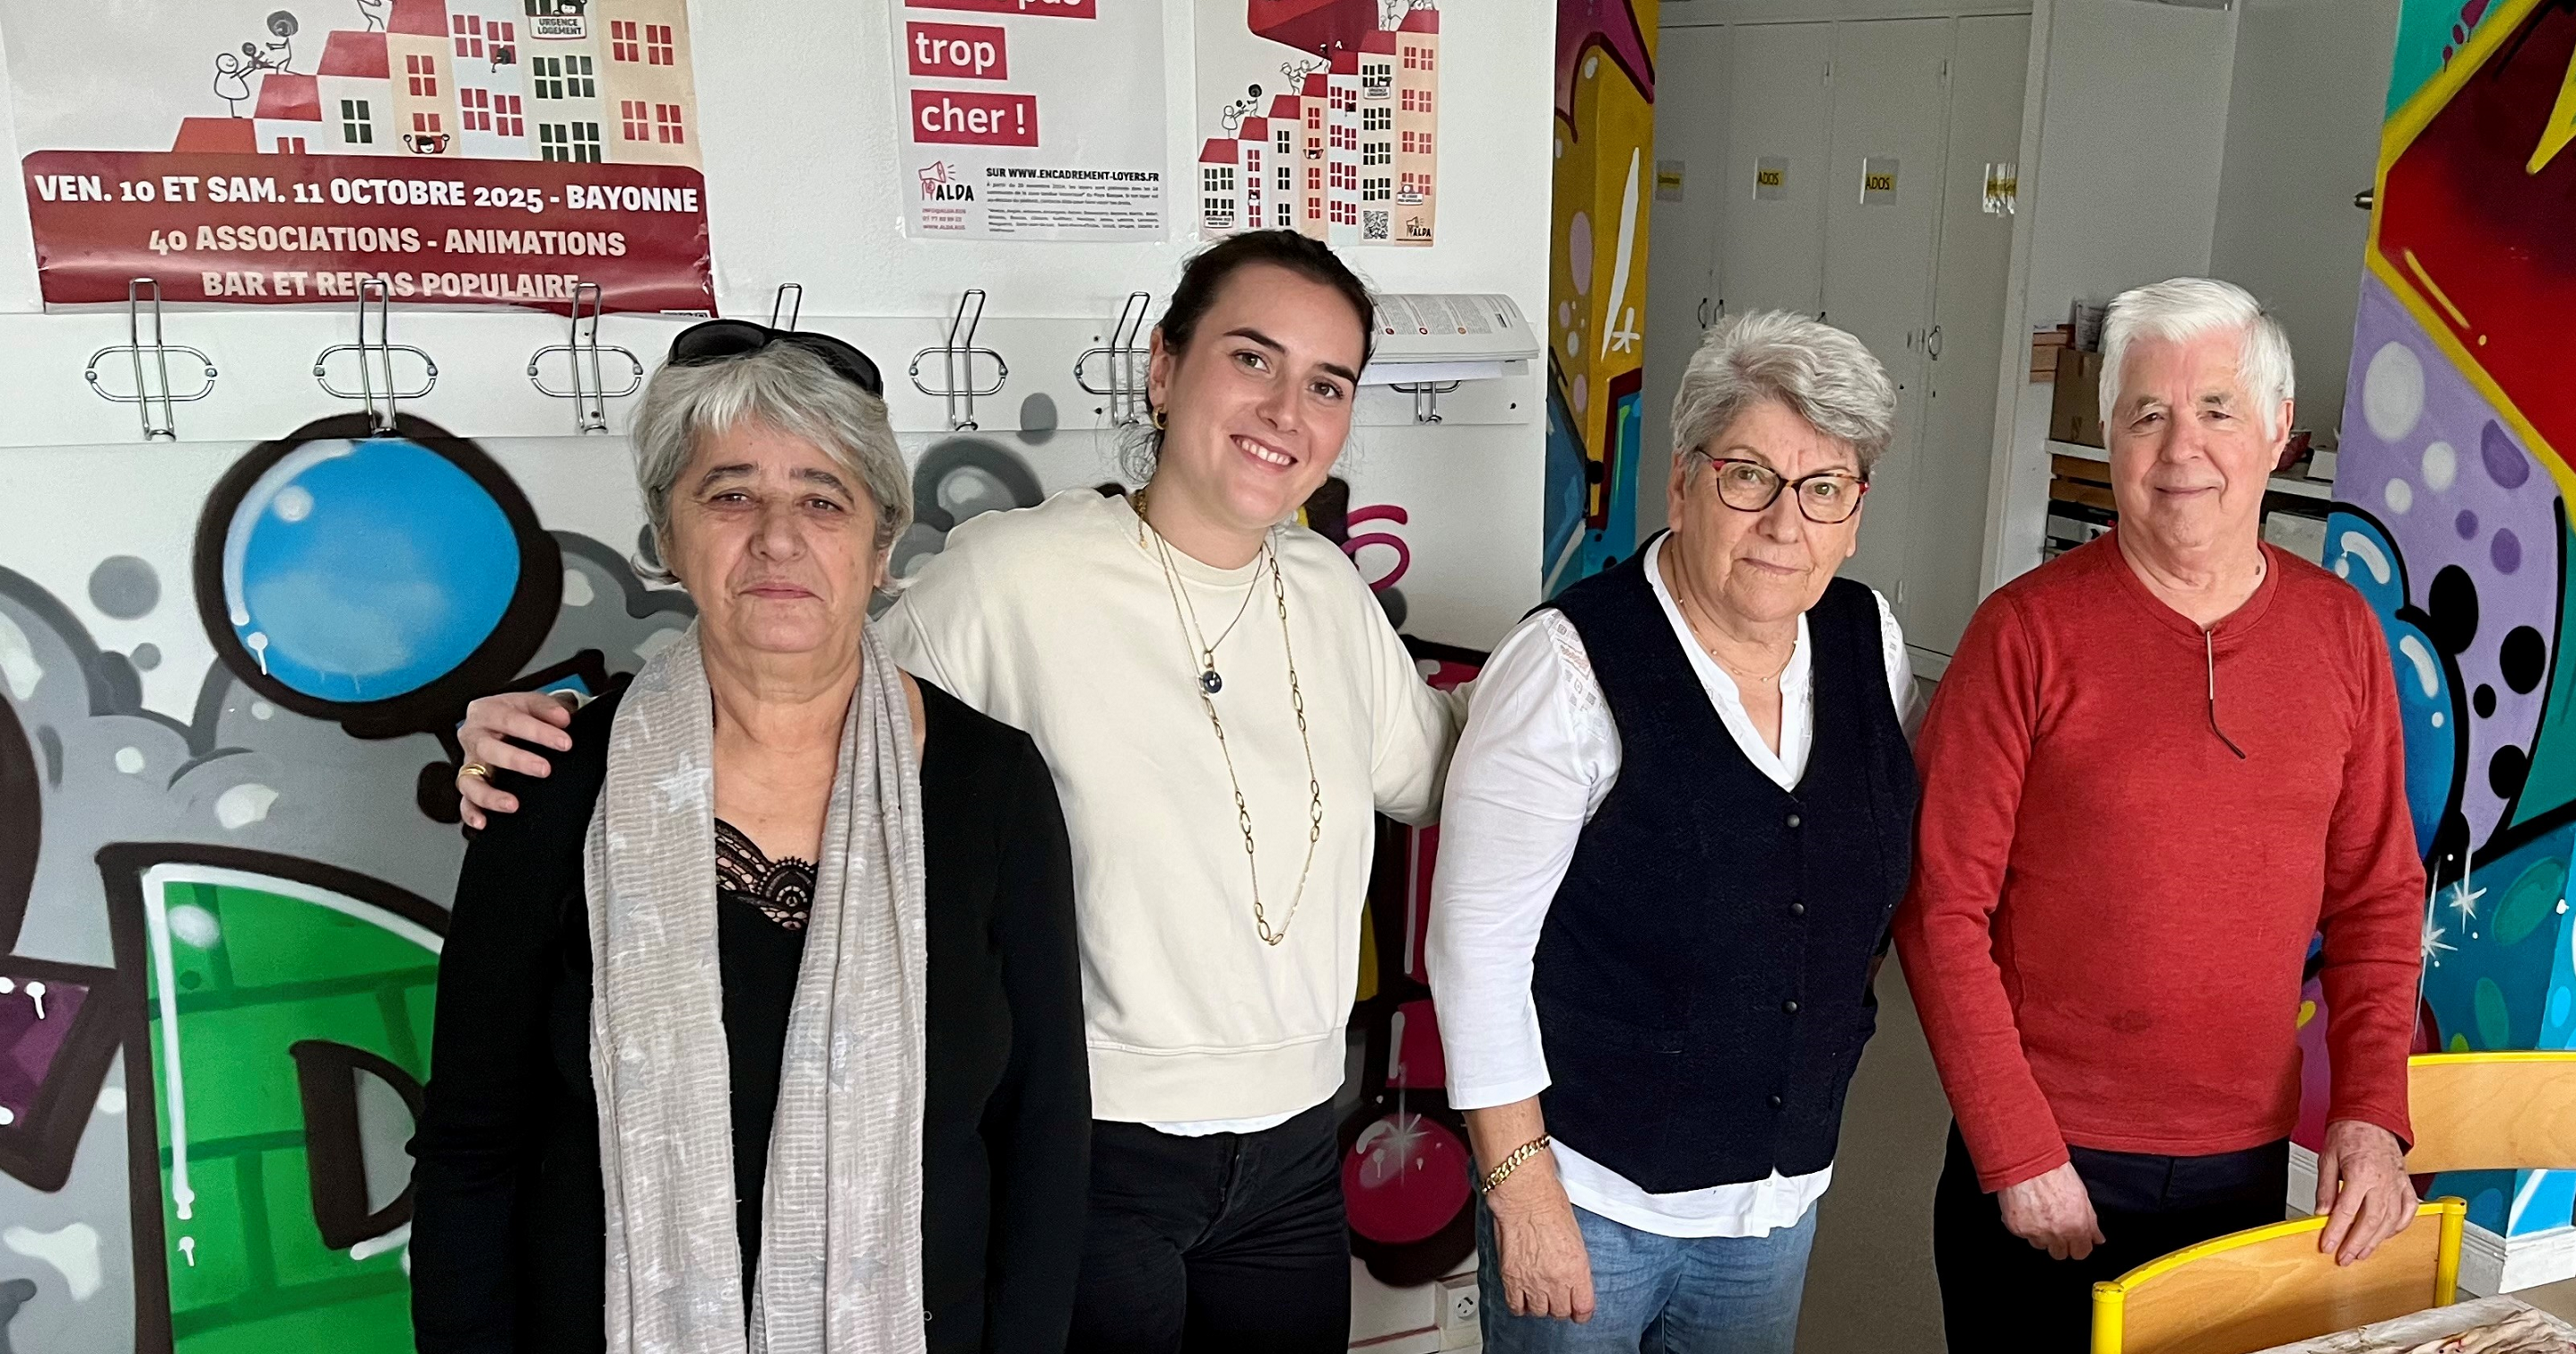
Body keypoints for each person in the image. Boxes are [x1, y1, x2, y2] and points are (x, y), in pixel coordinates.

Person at [451, 230, 1458, 1353]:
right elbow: (799, 664)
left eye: (1327, 383)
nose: (1285, 410)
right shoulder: (1012, 573)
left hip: (1291, 1155)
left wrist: (1591, 687)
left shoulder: (1327, 591)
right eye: (1252, 359)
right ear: (1164, 370)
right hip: (1099, 1154)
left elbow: (1443, 773)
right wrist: (569, 728)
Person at [409, 331, 1091, 1352]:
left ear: (880, 543)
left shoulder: (990, 786)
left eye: (823, 498)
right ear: (669, 536)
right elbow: (472, 1149)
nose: (778, 537)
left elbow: (1044, 1135)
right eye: (730, 495)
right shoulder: (552, 784)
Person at [1893, 277, 2427, 1348]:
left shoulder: (2341, 637)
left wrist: (2370, 1116)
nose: (2182, 450)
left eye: (2217, 410)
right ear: (2108, 443)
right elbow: (1938, 907)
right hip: (2049, 1169)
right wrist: (2017, 1149)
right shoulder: (2023, 636)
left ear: (2279, 432)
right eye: (2147, 414)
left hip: (2244, 1164)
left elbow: (2378, 897)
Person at [1427, 312, 1916, 1352]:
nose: (1786, 524)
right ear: (1682, 482)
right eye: (1749, 476)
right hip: (1593, 1198)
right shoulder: (1566, 667)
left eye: (1824, 488)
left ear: (1855, 514)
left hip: (1776, 1201)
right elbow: (1477, 954)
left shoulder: (1867, 638)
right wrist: (1522, 1195)